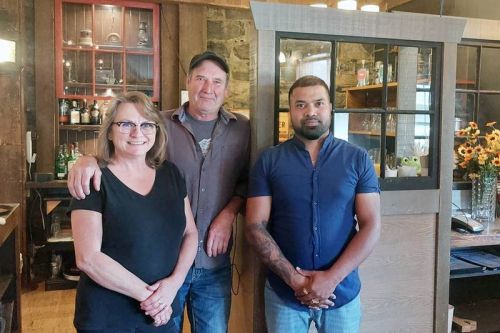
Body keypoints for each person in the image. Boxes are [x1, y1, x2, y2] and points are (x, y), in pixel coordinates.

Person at [67, 51, 251, 333]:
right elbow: (123, 146)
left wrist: (229, 213)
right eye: (200, 78)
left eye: (217, 81)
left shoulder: (244, 129)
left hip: (211, 263)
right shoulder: (160, 121)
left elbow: (247, 180)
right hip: (157, 276)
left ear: (226, 88)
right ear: (188, 81)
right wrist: (87, 159)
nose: (208, 88)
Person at [245, 75, 381, 333]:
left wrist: (331, 280)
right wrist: (295, 281)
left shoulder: (357, 159)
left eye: (318, 103)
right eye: (301, 105)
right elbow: (254, 226)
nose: (310, 112)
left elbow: (371, 225)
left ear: (330, 107)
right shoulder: (269, 161)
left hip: (341, 293)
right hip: (284, 294)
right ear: (291, 111)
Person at [68, 91, 198, 333]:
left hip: (163, 313)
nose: (138, 133)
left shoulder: (171, 174)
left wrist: (173, 285)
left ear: (157, 131)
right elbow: (88, 258)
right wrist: (152, 299)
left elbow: (190, 234)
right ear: (109, 130)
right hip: (109, 318)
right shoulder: (93, 178)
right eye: (126, 124)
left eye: (147, 124)